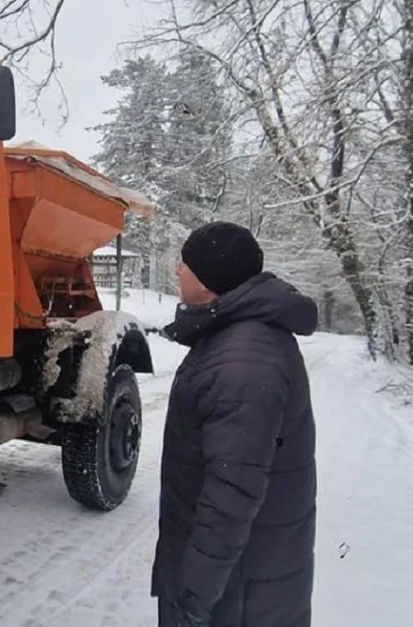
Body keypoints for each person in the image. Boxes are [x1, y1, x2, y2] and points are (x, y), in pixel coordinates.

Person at [152, 221, 318, 627]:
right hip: (245, 581)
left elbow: (231, 494)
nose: (177, 270)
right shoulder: (238, 338)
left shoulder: (244, 359)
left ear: (210, 279)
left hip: (238, 596)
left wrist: (195, 596)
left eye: (185, 263)